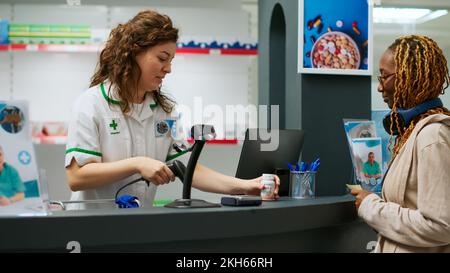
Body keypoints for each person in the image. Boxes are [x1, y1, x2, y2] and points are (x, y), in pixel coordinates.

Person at [65, 10, 279, 209]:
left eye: (171, 60)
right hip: (94, 227)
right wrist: (138, 164)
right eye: (162, 58)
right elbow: (77, 177)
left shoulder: (164, 112)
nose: (168, 68)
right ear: (134, 53)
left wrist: (246, 185)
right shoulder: (92, 103)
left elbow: (189, 169)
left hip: (139, 226)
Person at [351, 35, 450, 253]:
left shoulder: (433, 137)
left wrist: (371, 207)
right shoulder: (415, 131)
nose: (379, 87)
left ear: (408, 78)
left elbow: (441, 226)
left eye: (384, 77)